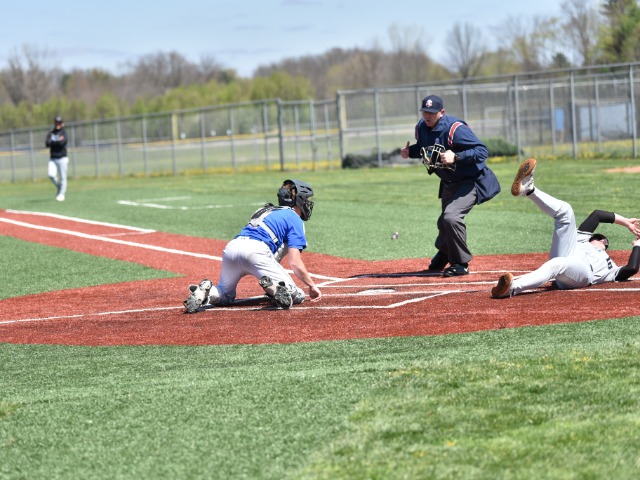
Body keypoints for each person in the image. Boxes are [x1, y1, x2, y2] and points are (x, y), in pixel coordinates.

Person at [491, 158, 640, 299]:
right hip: (567, 257)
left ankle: (512, 288)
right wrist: (626, 222)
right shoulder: (581, 240)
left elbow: (631, 268)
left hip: (583, 274)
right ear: (594, 239)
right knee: (566, 211)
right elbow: (597, 215)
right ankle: (529, 190)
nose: (604, 241)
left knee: (557, 264)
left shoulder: (611, 268)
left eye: (604, 241)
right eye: (600, 238)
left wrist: (637, 245)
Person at [183, 179, 322, 313]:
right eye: (305, 199)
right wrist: (312, 286)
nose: (307, 203)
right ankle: (273, 288)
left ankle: (204, 292)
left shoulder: (263, 210)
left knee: (225, 294)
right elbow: (295, 262)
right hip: (256, 251)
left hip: (232, 247)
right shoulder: (294, 218)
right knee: (298, 295)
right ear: (298, 200)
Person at [401, 95, 501, 276]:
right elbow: (425, 147)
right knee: (443, 222)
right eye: (425, 111)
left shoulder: (455, 129)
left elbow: (481, 151)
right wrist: (410, 152)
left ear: (442, 112)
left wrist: (456, 156)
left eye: (432, 112)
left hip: (471, 180)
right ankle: (445, 252)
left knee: (451, 217)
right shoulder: (421, 127)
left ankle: (461, 263)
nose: (427, 115)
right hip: (449, 182)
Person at [45, 116, 69, 201]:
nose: (58, 124)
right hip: (53, 158)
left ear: (62, 123)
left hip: (62, 158)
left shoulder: (64, 133)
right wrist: (57, 140)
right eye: (56, 122)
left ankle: (62, 194)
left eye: (59, 122)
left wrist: (54, 141)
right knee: (51, 175)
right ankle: (59, 187)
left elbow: (62, 143)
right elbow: (47, 143)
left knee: (63, 177)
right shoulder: (51, 133)